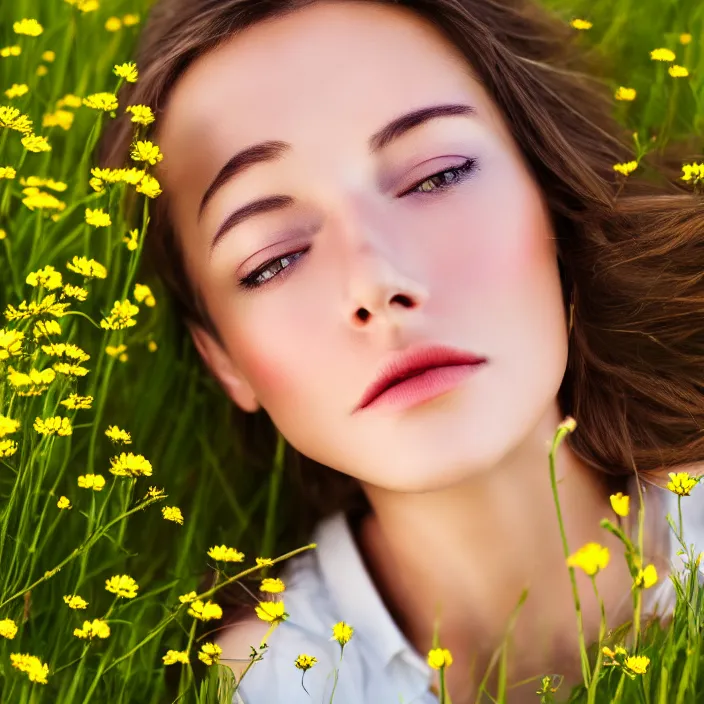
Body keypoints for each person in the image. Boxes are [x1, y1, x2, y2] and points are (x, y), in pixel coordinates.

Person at [98, 0, 704, 701]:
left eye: (437, 175)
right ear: (224, 360)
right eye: (274, 259)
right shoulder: (271, 680)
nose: (378, 281)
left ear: (553, 196)